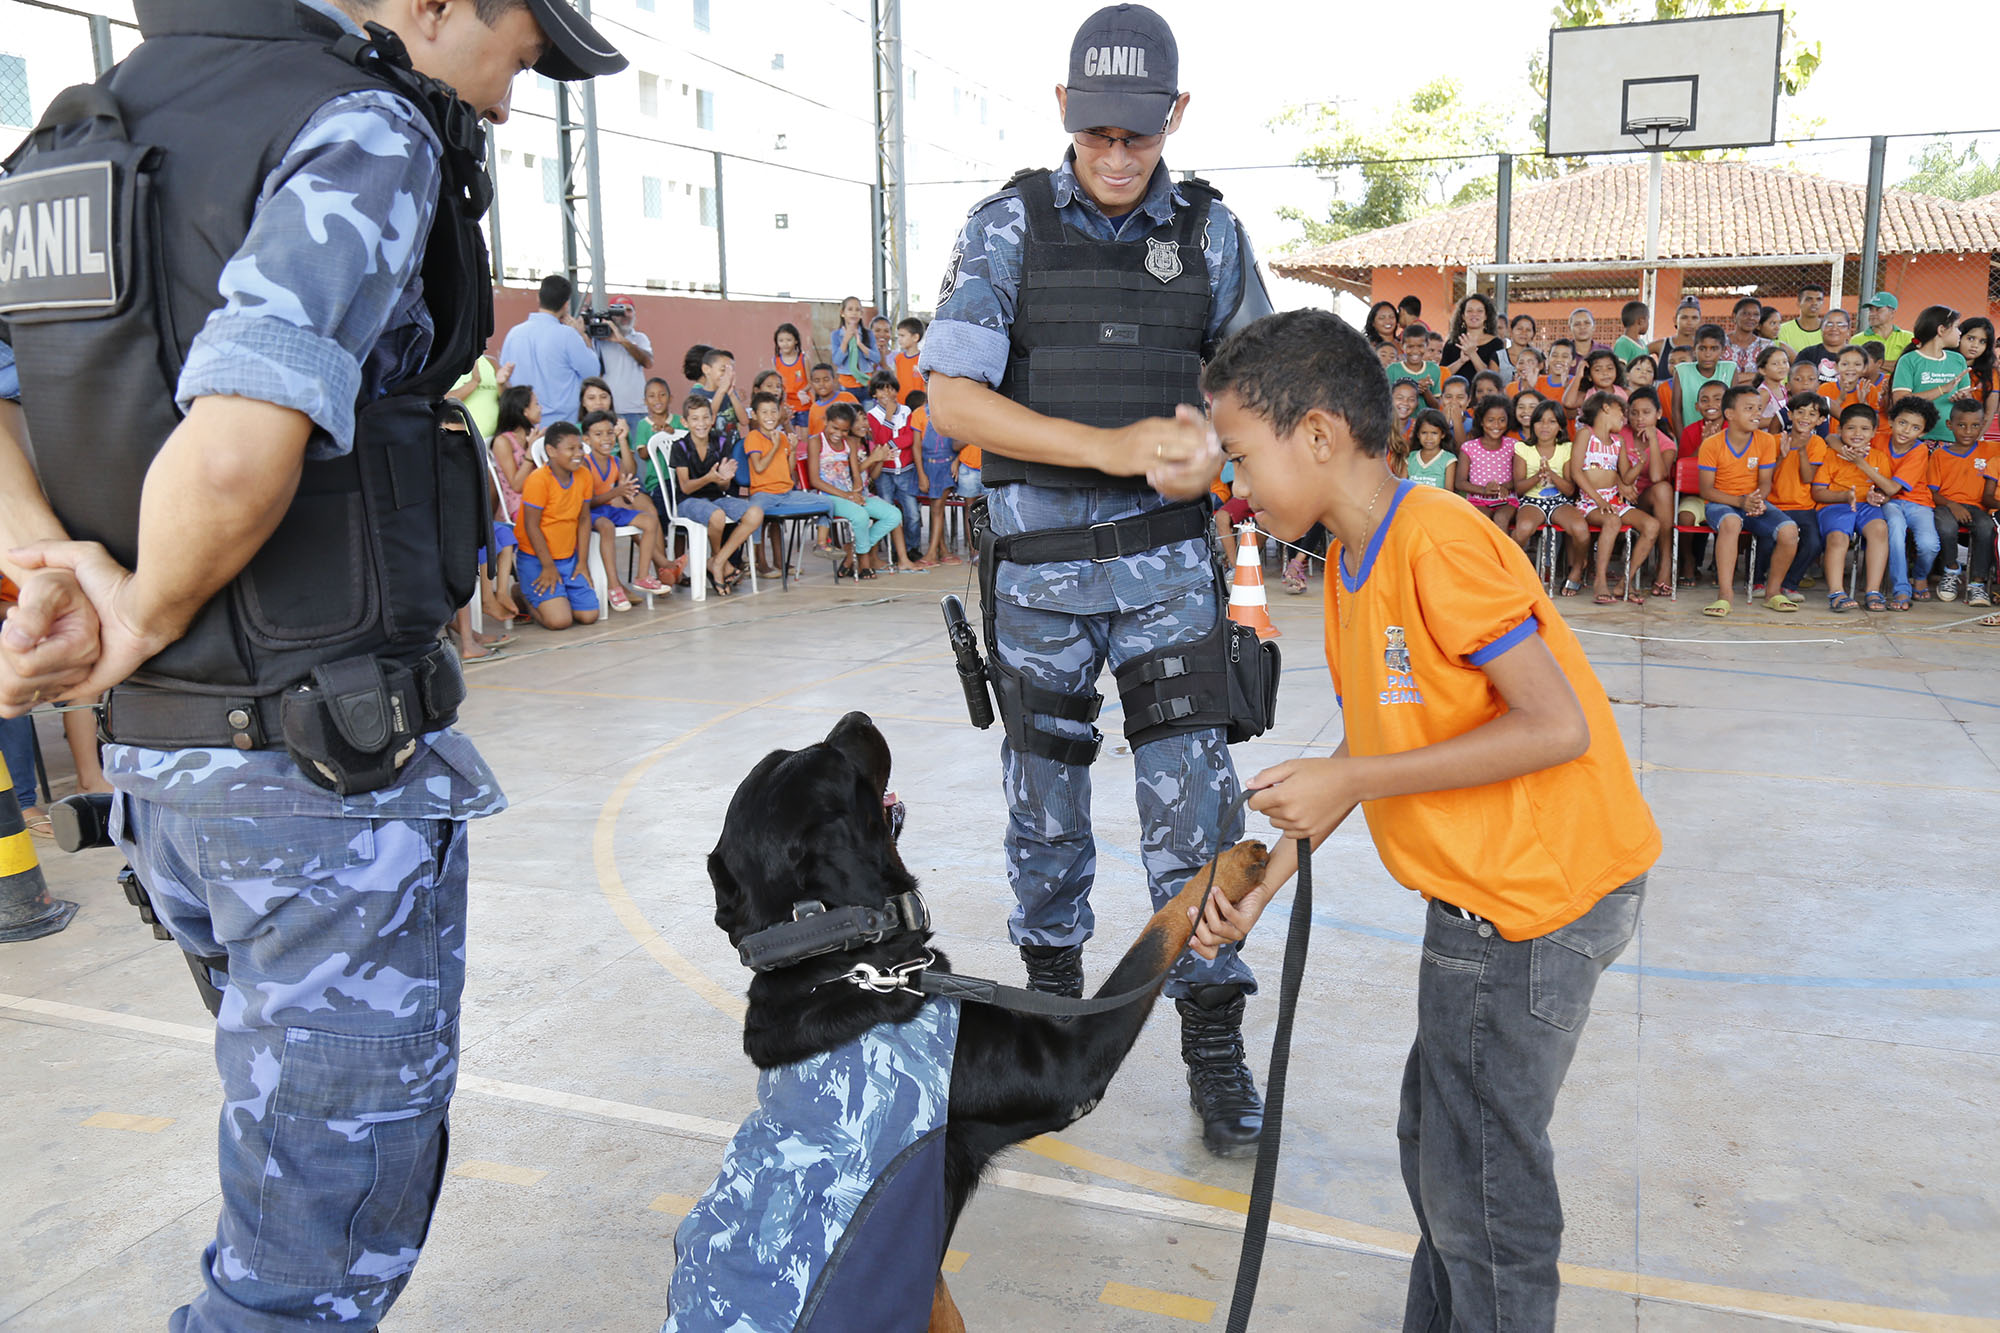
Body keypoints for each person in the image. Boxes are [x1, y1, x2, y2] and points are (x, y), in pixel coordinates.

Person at [0, 4, 624, 1329]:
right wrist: (137, 611)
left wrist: (60, 567)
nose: (510, 102)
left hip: (171, 776)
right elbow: (238, 443)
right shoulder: (355, 123)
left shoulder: (78, 138)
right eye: (516, 56)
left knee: (289, 1177)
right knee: (306, 1270)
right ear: (441, 4)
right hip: (315, 785)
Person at [1195, 309, 1656, 1333]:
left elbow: (1554, 726)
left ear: (1316, 435)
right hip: (1479, 900)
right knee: (1439, 1147)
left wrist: (1348, 767)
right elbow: (1379, 758)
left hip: (1530, 900)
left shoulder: (1436, 540)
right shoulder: (1351, 567)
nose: (1237, 484)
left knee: (1480, 1186)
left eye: (1241, 455)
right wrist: (1266, 881)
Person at [921, 3, 1276, 1155]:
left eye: (1138, 135)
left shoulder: (1213, 236)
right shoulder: (1006, 228)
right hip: (1037, 580)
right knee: (1046, 814)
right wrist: (1113, 446)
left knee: (1194, 813)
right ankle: (1051, 1027)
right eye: (1095, 136)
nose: (1116, 159)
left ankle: (1211, 1039)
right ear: (1062, 112)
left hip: (1168, 577)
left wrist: (1213, 444)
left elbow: (1257, 394)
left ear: (1173, 117)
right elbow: (954, 402)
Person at [1698, 386, 1800, 615]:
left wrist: (1756, 500)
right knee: (1731, 523)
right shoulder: (1712, 444)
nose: (1757, 414)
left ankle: (1773, 592)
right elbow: (1706, 490)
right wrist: (1740, 501)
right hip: (1721, 502)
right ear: (1730, 414)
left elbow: (1765, 482)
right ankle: (1725, 596)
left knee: (1789, 530)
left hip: (1752, 502)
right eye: (1749, 409)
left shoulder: (1764, 441)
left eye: (1759, 409)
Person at [579, 410, 675, 609]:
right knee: (606, 527)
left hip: (608, 508)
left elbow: (626, 481)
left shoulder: (615, 462)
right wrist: (616, 493)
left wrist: (626, 493)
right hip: (591, 513)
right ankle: (614, 586)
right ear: (586, 439)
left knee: (649, 521)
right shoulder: (584, 465)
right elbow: (586, 503)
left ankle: (642, 576)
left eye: (609, 433)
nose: (606, 439)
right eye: (598, 435)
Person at [515, 421, 604, 629]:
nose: (579, 453)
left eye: (580, 447)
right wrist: (547, 566)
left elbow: (583, 520)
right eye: (571, 449)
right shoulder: (538, 480)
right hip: (537, 559)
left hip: (567, 559)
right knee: (559, 621)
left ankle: (557, 595)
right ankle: (522, 593)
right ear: (551, 451)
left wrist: (581, 563)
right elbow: (532, 526)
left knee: (589, 615)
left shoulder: (584, 476)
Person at [1808, 405, 1896, 612]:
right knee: (1838, 538)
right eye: (1851, 428)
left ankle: (1873, 590)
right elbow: (1818, 493)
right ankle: (1837, 592)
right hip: (1834, 505)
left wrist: (1879, 497)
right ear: (1840, 431)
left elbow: (1887, 491)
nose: (1857, 434)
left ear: (1874, 432)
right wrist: (1844, 496)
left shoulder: (1878, 457)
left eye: (1865, 429)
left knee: (1879, 530)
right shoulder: (1830, 455)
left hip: (1866, 505)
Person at [671, 398, 764, 595]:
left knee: (755, 513)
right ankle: (720, 563)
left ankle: (718, 561)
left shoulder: (721, 441)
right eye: (695, 419)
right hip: (688, 501)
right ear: (685, 422)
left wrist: (724, 478)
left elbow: (724, 485)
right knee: (717, 516)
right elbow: (686, 487)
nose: (701, 423)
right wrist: (709, 477)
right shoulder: (680, 446)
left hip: (716, 497)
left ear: (713, 419)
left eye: (705, 417)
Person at [807, 402, 901, 578]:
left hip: (852, 495)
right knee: (860, 516)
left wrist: (856, 491)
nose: (838, 434)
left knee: (893, 515)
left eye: (843, 430)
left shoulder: (849, 442)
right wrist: (847, 496)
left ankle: (853, 551)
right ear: (825, 421)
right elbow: (815, 480)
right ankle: (864, 561)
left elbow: (855, 475)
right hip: (830, 496)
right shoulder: (816, 441)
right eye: (834, 428)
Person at [501, 273, 606, 425]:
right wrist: (583, 336)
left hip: (523, 424)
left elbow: (505, 377)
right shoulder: (569, 335)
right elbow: (593, 373)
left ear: (539, 297)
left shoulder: (514, 334)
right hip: (561, 425)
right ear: (566, 304)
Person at [1513, 400, 1590, 593]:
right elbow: (1519, 488)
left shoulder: (1566, 449)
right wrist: (1538, 477)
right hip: (1532, 500)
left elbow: (1570, 490)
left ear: (1560, 426)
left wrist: (1553, 476)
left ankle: (1577, 571)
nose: (1545, 426)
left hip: (1559, 501)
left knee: (1581, 529)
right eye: (1540, 421)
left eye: (1552, 422)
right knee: (1523, 529)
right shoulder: (1522, 449)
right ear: (1533, 424)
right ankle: (1515, 571)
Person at [1757, 393, 1827, 605]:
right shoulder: (1774, 440)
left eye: (1812, 414)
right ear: (1790, 415)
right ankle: (1758, 580)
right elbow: (1766, 477)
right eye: (1800, 412)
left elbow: (1808, 478)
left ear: (1820, 420)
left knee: (1814, 543)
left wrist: (1802, 450)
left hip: (1803, 506)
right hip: (1774, 504)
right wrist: (1782, 456)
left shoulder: (1818, 444)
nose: (1805, 417)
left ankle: (1789, 583)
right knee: (1767, 540)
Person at [1931, 400, 1997, 606]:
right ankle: (1950, 571)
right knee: (1947, 526)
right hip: (1946, 505)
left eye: (1975, 425)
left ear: (1983, 424)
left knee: (1987, 527)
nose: (1968, 431)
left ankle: (1978, 584)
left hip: (1977, 508)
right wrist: (1952, 505)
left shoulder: (1992, 450)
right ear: (1950, 425)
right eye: (1961, 425)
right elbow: (1933, 492)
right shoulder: (1940, 455)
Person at [1881, 398, 1942, 608]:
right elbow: (1836, 438)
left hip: (1918, 502)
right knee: (1895, 532)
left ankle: (1919, 575)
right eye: (1903, 423)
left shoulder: (1919, 450)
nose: (1906, 430)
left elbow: (1893, 487)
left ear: (1923, 433)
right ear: (1891, 421)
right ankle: (1901, 589)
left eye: (1915, 427)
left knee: (1929, 545)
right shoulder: (1878, 440)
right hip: (1889, 503)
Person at [865, 371, 926, 563]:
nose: (886, 394)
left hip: (906, 470)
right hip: (885, 473)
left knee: (913, 513)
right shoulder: (872, 415)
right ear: (874, 394)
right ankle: (893, 549)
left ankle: (912, 547)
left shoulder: (907, 411)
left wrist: (891, 444)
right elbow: (879, 440)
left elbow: (910, 437)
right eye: (881, 390)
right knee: (888, 511)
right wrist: (889, 416)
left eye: (890, 389)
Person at [1890, 305, 1968, 446]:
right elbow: (1901, 400)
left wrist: (1963, 398)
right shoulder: (1909, 360)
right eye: (1956, 327)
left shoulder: (1958, 360)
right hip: (1915, 438)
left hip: (1951, 437)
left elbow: (1968, 400)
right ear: (1941, 330)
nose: (1960, 332)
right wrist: (1942, 390)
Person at [1624, 386, 1675, 597]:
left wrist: (1653, 440)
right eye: (1634, 412)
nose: (1639, 418)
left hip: (1645, 500)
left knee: (1663, 489)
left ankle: (1665, 564)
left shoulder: (1667, 443)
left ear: (1659, 414)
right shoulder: (1619, 433)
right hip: (1615, 495)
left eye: (1646, 413)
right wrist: (1621, 484)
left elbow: (1656, 477)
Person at [1455, 397, 1522, 529]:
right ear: (1481, 422)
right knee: (1482, 520)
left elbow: (1519, 478)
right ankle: (1484, 550)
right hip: (1478, 501)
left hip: (1506, 501)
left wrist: (1505, 487)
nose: (1496, 425)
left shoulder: (1514, 446)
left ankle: (1503, 550)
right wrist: (1483, 490)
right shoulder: (1469, 448)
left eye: (1502, 420)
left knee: (1501, 518)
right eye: (1490, 420)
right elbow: (1460, 482)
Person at [592, 298, 654, 438]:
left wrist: (622, 340)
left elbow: (648, 362)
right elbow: (593, 370)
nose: (625, 315)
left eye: (629, 310)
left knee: (639, 458)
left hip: (637, 409)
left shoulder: (640, 338)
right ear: (611, 316)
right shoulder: (600, 340)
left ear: (635, 314)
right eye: (619, 311)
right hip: (609, 411)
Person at [1440, 293, 1509, 386]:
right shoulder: (1452, 342)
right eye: (1469, 311)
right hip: (1456, 397)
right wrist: (1461, 361)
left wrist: (1472, 354)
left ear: (1486, 316)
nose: (1474, 314)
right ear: (1463, 316)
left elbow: (1491, 379)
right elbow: (1441, 376)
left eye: (1480, 311)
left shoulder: (1496, 343)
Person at [448, 349, 508, 440]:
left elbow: (508, 402)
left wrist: (501, 385)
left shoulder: (491, 362)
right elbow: (444, 400)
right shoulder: (448, 363)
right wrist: (473, 383)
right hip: (460, 439)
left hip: (490, 442)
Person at [830, 296, 879, 390]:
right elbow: (837, 361)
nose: (854, 313)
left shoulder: (868, 334)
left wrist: (860, 344)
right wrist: (845, 341)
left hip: (865, 382)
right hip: (846, 384)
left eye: (857, 310)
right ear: (842, 313)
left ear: (861, 314)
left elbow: (876, 358)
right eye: (850, 309)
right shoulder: (836, 335)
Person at [1794, 307, 1853, 382]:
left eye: (1840, 324)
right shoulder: (1808, 354)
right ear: (1821, 328)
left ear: (1848, 329)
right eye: (1829, 324)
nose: (1834, 328)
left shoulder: (1857, 355)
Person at [1386, 323, 1441, 406]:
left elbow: (1436, 406)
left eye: (1420, 346)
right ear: (1401, 346)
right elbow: (1387, 402)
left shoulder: (1434, 369)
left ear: (1427, 345)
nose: (1415, 351)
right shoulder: (1392, 370)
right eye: (1410, 346)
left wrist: (1425, 391)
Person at [773, 322, 813, 427]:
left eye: (789, 340)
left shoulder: (804, 359)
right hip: (786, 406)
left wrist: (802, 391)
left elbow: (810, 382)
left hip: (803, 405)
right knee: (789, 437)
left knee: (805, 438)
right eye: (781, 340)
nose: (785, 343)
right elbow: (776, 384)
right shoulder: (775, 361)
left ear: (796, 341)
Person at [1859, 293, 1913, 370]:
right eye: (1871, 309)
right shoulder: (1857, 339)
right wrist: (1896, 364)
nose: (1872, 314)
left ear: (1892, 312)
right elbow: (1857, 368)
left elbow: (1910, 366)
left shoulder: (1909, 337)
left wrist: (1872, 364)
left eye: (1878, 309)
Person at [1777, 283, 1827, 353]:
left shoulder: (1831, 330)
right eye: (1809, 299)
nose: (1814, 303)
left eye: (1819, 299)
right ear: (1798, 303)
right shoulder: (1782, 330)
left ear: (1823, 304)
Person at [1650, 295, 1701, 362]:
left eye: (1694, 318)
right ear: (1675, 320)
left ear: (1700, 321)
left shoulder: (1704, 348)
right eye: (1684, 317)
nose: (1689, 322)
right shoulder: (1661, 345)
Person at [893, 317, 928, 398]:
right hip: (901, 404)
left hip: (919, 404)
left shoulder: (923, 359)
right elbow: (895, 382)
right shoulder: (898, 358)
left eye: (902, 336)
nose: (899, 339)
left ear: (915, 337)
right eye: (898, 336)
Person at [1610, 300, 1651, 366]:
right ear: (1641, 321)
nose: (1648, 324)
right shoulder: (1623, 343)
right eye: (1648, 320)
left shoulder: (1642, 344)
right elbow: (1620, 370)